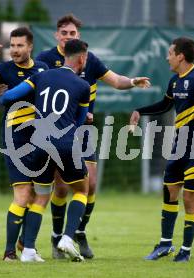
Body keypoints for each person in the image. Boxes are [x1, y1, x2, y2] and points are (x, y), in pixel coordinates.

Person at [33, 13, 151, 259]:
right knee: (63, 187)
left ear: (79, 36)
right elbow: (32, 86)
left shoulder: (90, 60)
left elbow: (116, 81)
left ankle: (79, 232)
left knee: (91, 184)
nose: (67, 37)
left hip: (84, 132)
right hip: (58, 132)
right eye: (64, 33)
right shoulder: (45, 60)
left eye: (72, 33)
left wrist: (133, 81)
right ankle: (57, 238)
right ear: (57, 35)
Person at [129, 37, 194, 262]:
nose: (167, 57)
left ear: (180, 56)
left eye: (170, 53)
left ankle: (185, 251)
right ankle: (165, 245)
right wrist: (139, 111)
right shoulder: (174, 80)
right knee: (170, 191)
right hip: (180, 144)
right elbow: (165, 105)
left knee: (189, 198)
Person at [0, 39, 91, 262]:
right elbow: (79, 123)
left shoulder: (41, 76)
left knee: (40, 195)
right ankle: (67, 237)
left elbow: (9, 97)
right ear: (81, 58)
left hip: (39, 144)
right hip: (65, 144)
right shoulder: (83, 86)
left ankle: (28, 250)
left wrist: (2, 94)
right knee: (82, 190)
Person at [0, 27, 49, 261]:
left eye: (20, 46)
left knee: (37, 194)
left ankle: (26, 244)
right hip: (15, 139)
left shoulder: (42, 70)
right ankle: (9, 252)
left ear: (30, 47)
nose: (15, 50)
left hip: (39, 139)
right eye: (12, 45)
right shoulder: (5, 68)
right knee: (22, 193)